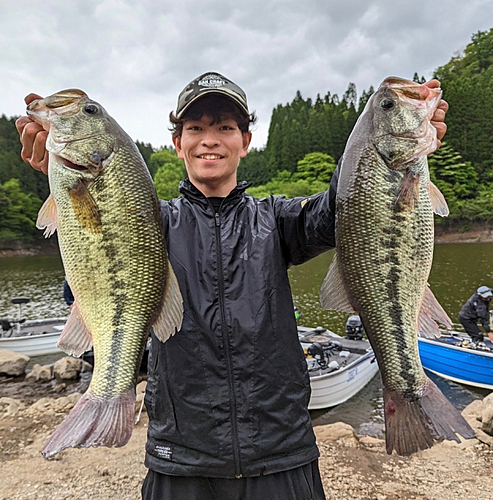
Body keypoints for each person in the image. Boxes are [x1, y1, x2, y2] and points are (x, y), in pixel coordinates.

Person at [15, 72, 449, 500]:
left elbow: (344, 207)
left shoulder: (279, 219)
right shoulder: (151, 221)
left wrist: (386, 152)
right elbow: (98, 277)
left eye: (225, 127)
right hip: (180, 457)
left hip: (282, 454)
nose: (210, 139)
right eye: (195, 128)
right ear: (177, 143)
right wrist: (63, 179)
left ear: (245, 142)